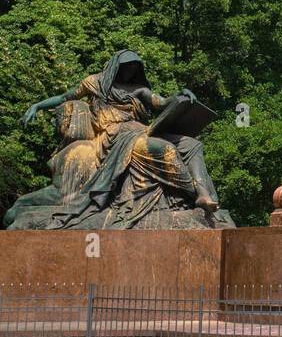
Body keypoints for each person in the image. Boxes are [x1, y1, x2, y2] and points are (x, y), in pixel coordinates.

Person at [17, 50, 219, 229]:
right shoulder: (94, 83)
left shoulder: (138, 89)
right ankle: (192, 194)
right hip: (117, 136)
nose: (130, 70)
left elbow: (162, 102)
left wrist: (181, 96)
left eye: (134, 66)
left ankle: (203, 194)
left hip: (142, 130)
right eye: (127, 66)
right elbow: (65, 97)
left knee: (193, 144)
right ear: (116, 66)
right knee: (164, 149)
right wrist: (37, 106)